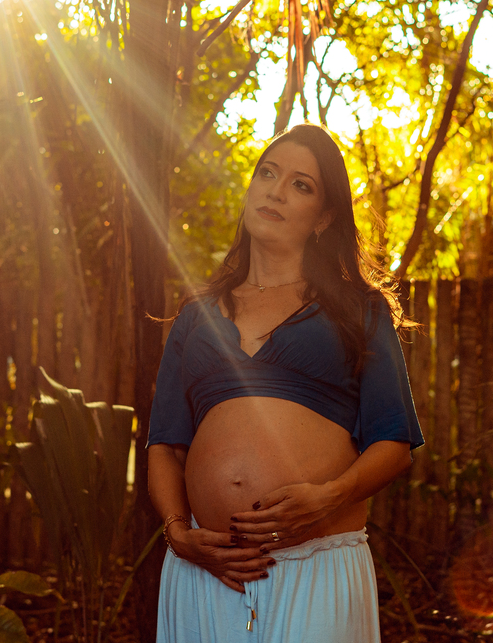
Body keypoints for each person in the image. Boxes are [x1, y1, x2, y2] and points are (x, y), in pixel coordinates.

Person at [147, 123, 425, 642]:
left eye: (302, 184)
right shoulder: (196, 316)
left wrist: (331, 495)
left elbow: (394, 443)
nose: (275, 189)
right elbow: (164, 445)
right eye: (267, 173)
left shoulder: (357, 311)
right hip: (205, 571)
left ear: (324, 219)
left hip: (316, 565)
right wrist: (179, 534)